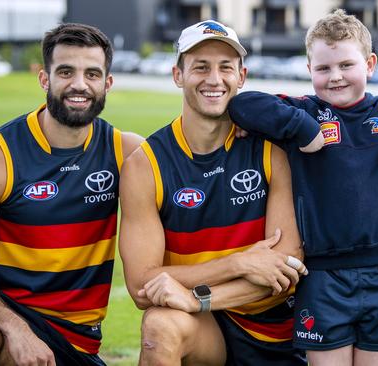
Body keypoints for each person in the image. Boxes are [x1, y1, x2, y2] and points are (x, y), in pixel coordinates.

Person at [228, 9, 378, 366]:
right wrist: (301, 129)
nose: (335, 77)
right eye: (323, 69)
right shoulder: (304, 112)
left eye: (346, 65)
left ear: (370, 64)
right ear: (309, 71)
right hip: (322, 277)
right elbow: (243, 104)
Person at [0, 23, 143, 365]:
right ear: (44, 79)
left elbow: (193, 168)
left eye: (92, 74)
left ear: (107, 83)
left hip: (76, 337)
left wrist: (244, 122)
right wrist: (17, 329)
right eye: (66, 71)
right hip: (0, 315)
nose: (79, 84)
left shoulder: (126, 151)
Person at [118, 20, 308, 365]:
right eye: (200, 67)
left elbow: (285, 270)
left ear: (242, 76)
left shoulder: (270, 149)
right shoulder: (145, 165)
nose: (214, 79)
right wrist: (239, 262)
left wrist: (198, 299)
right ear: (178, 74)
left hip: (272, 328)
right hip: (204, 330)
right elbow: (142, 286)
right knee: (160, 325)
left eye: (225, 67)